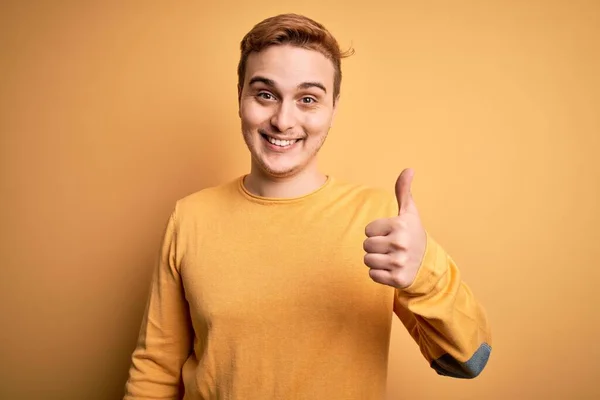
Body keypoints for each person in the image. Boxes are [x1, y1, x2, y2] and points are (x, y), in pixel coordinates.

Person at [123, 13, 492, 400]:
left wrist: (423, 272)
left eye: (308, 99)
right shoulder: (190, 217)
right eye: (265, 94)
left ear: (332, 108)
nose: (283, 120)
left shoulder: (380, 220)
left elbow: (468, 361)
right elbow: (156, 371)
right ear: (240, 98)